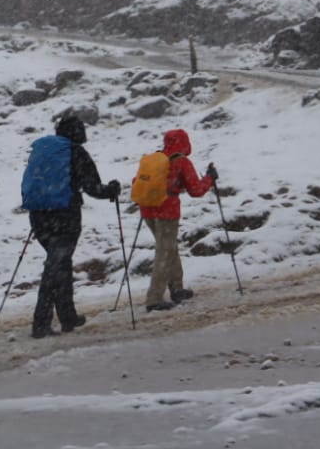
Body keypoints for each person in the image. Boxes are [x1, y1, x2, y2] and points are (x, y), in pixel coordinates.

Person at [26, 113, 120, 339]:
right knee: (54, 268)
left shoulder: (45, 151)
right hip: (65, 217)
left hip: (39, 216)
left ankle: (68, 316)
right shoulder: (75, 152)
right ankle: (41, 323)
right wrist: (112, 189)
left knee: (60, 264)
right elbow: (93, 188)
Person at [137, 128, 217, 313]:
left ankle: (177, 288)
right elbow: (196, 190)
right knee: (164, 253)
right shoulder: (181, 161)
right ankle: (154, 298)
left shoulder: (154, 159)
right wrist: (209, 179)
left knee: (168, 248)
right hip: (167, 211)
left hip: (147, 209)